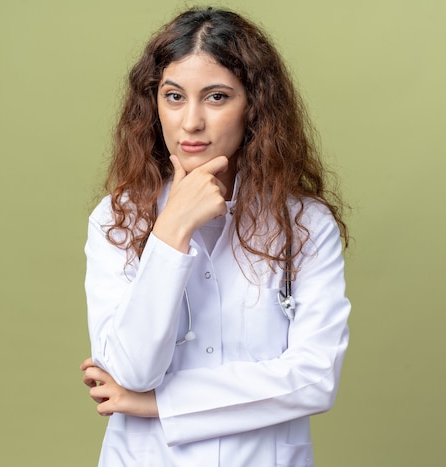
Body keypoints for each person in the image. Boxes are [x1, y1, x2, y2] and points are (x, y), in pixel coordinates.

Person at [80, 6, 351, 466]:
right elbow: (131, 369)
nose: (191, 122)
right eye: (174, 96)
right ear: (154, 105)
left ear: (255, 108)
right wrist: (171, 231)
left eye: (217, 97)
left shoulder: (306, 224)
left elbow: (315, 377)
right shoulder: (117, 219)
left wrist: (158, 404)